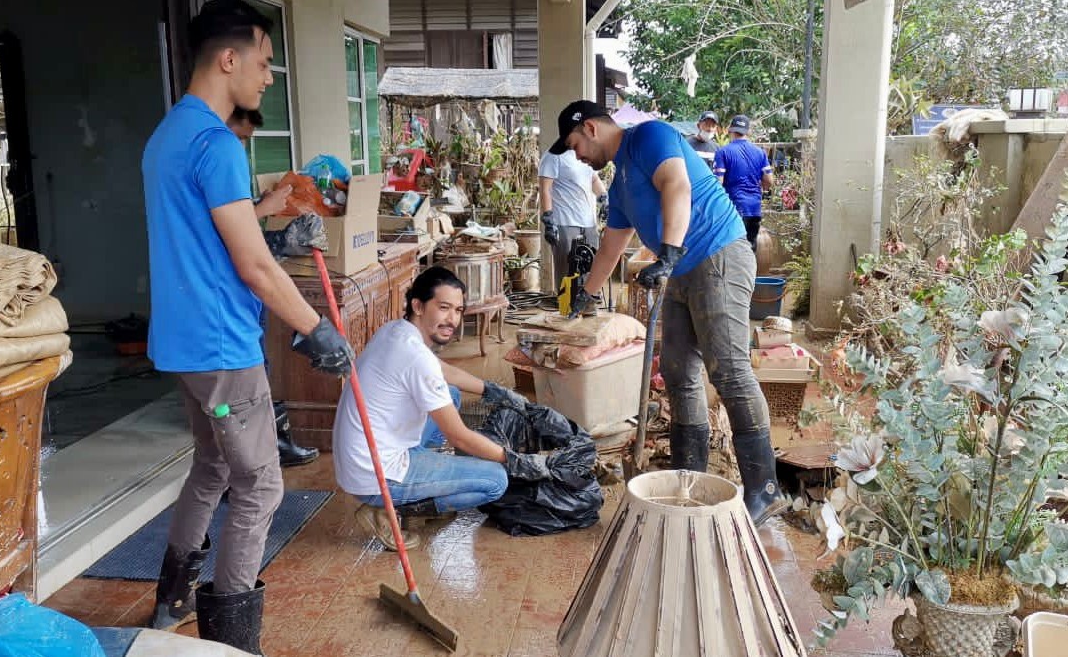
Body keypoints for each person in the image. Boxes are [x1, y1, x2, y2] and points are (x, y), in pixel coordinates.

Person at [142, 0, 353, 653]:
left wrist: (279, 228)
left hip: (184, 344)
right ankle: (231, 637)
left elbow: (215, 236)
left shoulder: (169, 135)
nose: (268, 77)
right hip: (222, 348)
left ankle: (170, 604)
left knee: (212, 465)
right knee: (261, 484)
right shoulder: (215, 142)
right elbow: (254, 269)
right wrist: (317, 329)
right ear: (227, 59)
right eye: (262, 62)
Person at [550, 100, 787, 526]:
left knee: (729, 371)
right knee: (678, 372)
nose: (578, 157)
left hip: (718, 255)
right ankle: (689, 476)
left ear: (590, 128)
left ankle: (764, 491)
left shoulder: (649, 135)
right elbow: (612, 245)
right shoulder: (621, 181)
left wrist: (669, 252)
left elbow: (677, 184)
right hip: (681, 268)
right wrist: (586, 294)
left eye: (574, 145)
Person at [332, 266, 543, 550]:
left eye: (457, 310)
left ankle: (417, 484)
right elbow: (458, 436)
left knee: (452, 395)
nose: (452, 319)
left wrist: (494, 390)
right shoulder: (417, 358)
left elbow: (441, 370)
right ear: (418, 306)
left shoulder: (395, 331)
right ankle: (396, 508)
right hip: (376, 477)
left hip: (362, 459)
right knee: (495, 481)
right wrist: (515, 461)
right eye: (443, 308)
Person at [227, 106, 319, 468]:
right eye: (241, 136)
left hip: (245, 301)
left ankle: (270, 443)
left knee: (260, 364)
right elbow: (219, 229)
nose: (243, 146)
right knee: (248, 379)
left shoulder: (227, 162)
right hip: (226, 306)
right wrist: (263, 209)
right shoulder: (212, 152)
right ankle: (255, 455)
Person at [538, 148, 607, 289]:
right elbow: (545, 189)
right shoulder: (553, 155)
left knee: (591, 267)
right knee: (567, 269)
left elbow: (593, 179)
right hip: (565, 221)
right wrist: (549, 220)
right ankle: (567, 307)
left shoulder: (585, 153)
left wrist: (604, 198)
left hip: (588, 222)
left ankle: (588, 306)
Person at [713, 114, 774, 250]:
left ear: (730, 130)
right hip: (754, 208)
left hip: (733, 209)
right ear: (747, 132)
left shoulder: (723, 152)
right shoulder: (760, 153)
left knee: (733, 250)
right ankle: (750, 272)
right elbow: (769, 180)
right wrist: (761, 188)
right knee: (750, 248)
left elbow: (718, 182)